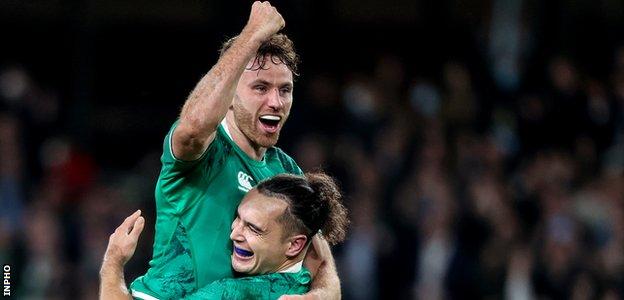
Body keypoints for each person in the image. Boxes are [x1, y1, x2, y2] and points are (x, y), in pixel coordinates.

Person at [128, 2, 341, 299]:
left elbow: (323, 265)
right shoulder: (205, 151)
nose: (276, 102)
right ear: (228, 95)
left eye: (285, 90)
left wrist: (313, 297)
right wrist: (252, 35)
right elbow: (195, 125)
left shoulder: (287, 171)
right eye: (260, 88)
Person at [100, 173, 349, 299]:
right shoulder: (309, 280)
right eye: (237, 218)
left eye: (254, 228)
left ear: (295, 245)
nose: (235, 233)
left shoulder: (231, 293)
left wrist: (114, 261)